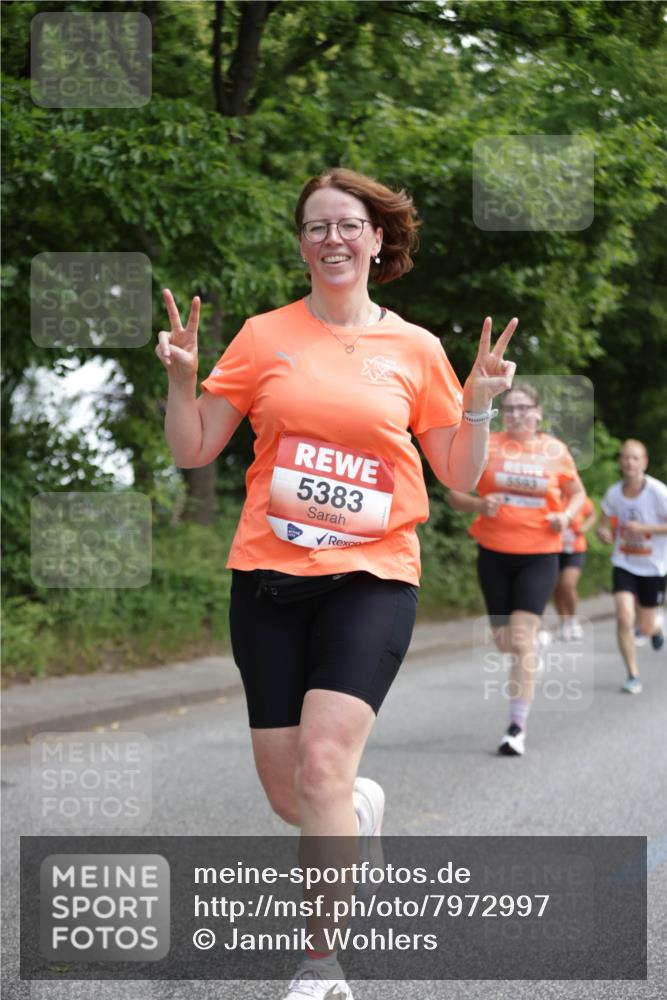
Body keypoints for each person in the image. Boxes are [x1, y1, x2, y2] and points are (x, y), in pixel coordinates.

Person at [156, 167, 517, 1000]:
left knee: (318, 769)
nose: (332, 239)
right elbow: (193, 449)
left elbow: (459, 472)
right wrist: (182, 378)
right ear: (302, 244)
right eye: (316, 227)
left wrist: (479, 404)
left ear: (377, 239)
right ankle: (360, 807)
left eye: (348, 225)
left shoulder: (417, 349)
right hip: (267, 577)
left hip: (372, 574)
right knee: (295, 797)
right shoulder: (260, 336)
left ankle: (320, 968)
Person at [448, 381, 585, 757]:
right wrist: (479, 505)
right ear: (501, 414)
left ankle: (515, 728)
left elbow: (578, 494)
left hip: (540, 554)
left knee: (520, 640)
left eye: (525, 408)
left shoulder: (555, 451)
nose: (517, 414)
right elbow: (453, 491)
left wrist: (566, 516)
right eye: (510, 409)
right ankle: (537, 642)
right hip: (493, 553)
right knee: (506, 642)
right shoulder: (487, 444)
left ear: (539, 413)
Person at [596, 439, 667, 694]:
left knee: (645, 627)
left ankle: (657, 627)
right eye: (625, 457)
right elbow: (601, 524)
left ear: (644, 462)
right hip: (623, 562)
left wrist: (645, 528)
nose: (629, 462)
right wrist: (603, 532)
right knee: (624, 616)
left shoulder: (658, 492)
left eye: (635, 458)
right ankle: (633, 674)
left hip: (653, 567)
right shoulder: (614, 493)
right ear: (620, 462)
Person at [553, 494, 596, 640]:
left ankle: (573, 620)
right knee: (556, 588)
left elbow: (592, 515)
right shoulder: (552, 494)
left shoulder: (579, 497)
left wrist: (584, 527)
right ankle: (563, 622)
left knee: (567, 584)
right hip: (553, 548)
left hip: (575, 549)